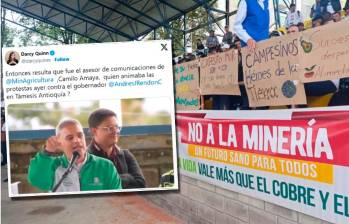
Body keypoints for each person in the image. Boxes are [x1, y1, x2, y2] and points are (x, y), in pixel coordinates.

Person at [27, 118, 122, 192]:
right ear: (60, 144)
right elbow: (36, 179)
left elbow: (117, 198)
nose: (77, 140)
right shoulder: (53, 166)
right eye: (70, 138)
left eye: (80, 136)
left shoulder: (106, 166)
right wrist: (46, 153)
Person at [87, 108, 146, 189]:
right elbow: (91, 187)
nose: (115, 131)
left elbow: (141, 184)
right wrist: (128, 178)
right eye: (110, 128)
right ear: (94, 131)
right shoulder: (86, 158)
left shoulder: (126, 155)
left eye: (117, 127)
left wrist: (107, 179)